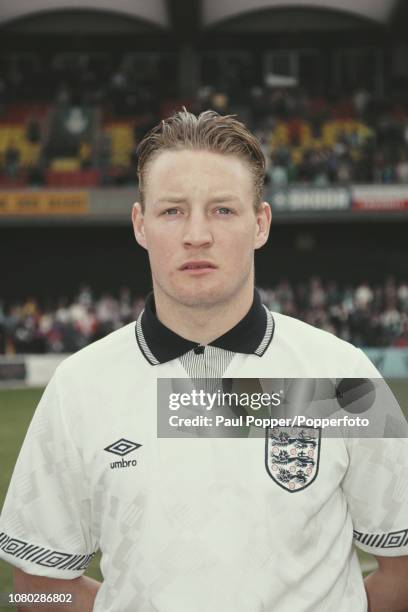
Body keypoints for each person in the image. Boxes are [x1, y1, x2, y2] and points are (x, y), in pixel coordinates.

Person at [0, 110, 407, 612]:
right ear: (140, 224)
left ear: (260, 224)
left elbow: (403, 570)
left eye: (222, 210)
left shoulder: (346, 377)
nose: (197, 235)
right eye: (172, 211)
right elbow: (33, 585)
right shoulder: (77, 387)